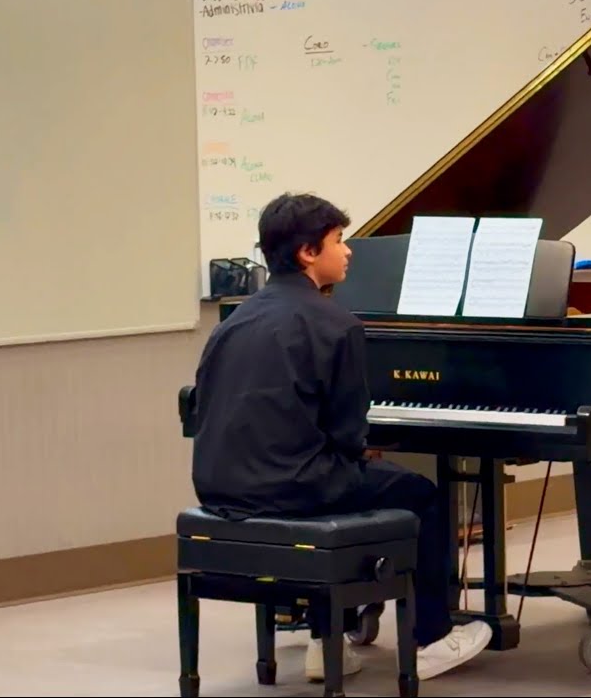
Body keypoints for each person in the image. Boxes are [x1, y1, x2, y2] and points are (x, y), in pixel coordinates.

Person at [190, 192, 492, 682]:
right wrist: (362, 450)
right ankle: (432, 638)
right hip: (296, 487)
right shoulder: (336, 324)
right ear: (309, 253)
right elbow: (349, 433)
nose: (348, 251)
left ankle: (326, 637)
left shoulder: (236, 319)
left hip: (220, 484)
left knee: (359, 480)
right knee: (422, 494)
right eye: (339, 241)